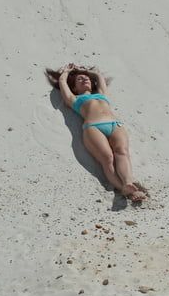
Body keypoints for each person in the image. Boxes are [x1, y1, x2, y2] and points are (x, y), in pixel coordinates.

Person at [53, 63, 147, 203]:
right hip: (93, 127)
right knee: (107, 158)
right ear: (74, 88)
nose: (84, 79)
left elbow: (99, 77)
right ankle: (123, 189)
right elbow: (62, 84)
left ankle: (128, 183)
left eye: (87, 78)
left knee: (122, 152)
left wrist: (86, 71)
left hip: (115, 125)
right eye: (79, 79)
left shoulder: (102, 94)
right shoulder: (74, 99)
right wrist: (66, 73)